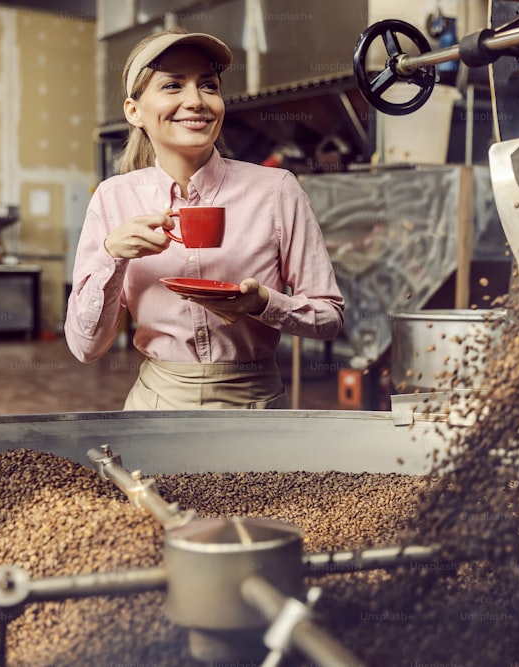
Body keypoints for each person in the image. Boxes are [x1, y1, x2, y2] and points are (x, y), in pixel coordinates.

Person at [64, 29, 344, 409]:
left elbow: (329, 318)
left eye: (208, 86)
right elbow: (85, 347)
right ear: (134, 111)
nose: (196, 101)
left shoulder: (277, 189)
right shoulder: (114, 198)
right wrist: (112, 256)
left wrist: (263, 303)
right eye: (173, 86)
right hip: (157, 405)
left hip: (256, 405)